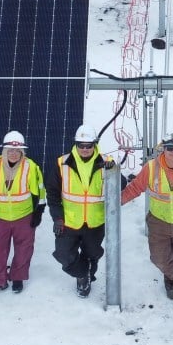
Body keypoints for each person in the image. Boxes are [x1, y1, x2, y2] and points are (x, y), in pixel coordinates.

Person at [120, 130, 173, 300]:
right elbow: (135, 188)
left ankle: (172, 282)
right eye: (170, 148)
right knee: (159, 258)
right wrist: (116, 202)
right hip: (159, 222)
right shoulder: (151, 168)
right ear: (163, 149)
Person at [45, 125, 114, 298]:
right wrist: (57, 218)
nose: (84, 149)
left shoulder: (106, 162)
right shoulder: (62, 163)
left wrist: (114, 171)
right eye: (81, 145)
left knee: (93, 254)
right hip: (69, 221)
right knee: (63, 254)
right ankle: (83, 274)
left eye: (88, 145)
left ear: (94, 145)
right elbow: (52, 193)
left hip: (95, 221)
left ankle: (87, 276)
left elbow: (119, 187)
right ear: (75, 144)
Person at [0, 130, 45, 295]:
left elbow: (40, 192)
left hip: (24, 215)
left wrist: (38, 212)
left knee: (24, 249)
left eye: (18, 151)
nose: (14, 154)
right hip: (0, 216)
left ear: (22, 151)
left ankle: (17, 277)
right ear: (4, 151)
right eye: (10, 150)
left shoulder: (32, 167)